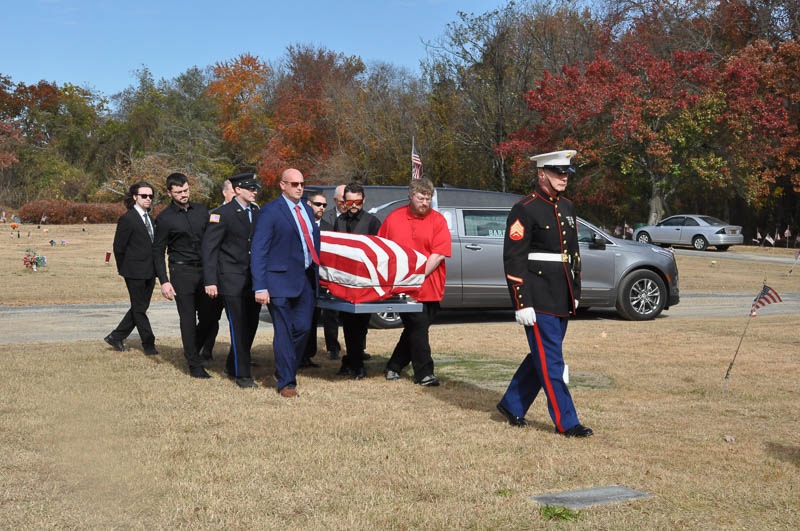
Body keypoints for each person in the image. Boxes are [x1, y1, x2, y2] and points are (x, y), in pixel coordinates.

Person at [495, 150, 593, 437]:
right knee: (552, 361)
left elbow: (573, 253)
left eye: (566, 173)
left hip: (560, 293)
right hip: (537, 296)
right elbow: (514, 258)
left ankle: (512, 403)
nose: (564, 178)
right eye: (557, 172)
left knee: (544, 354)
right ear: (541, 174)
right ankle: (567, 422)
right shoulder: (524, 208)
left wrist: (575, 290)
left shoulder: (568, 207)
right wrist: (521, 302)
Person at [251, 168, 320, 398]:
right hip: (278, 281)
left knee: (303, 328)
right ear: (282, 185)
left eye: (302, 184)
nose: (299, 188)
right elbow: (259, 250)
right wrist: (260, 286)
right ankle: (287, 382)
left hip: (305, 280)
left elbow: (313, 243)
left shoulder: (307, 210)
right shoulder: (271, 211)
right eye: (294, 184)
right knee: (283, 331)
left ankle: (285, 366)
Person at [378, 178, 450, 386]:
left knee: (416, 328)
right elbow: (383, 249)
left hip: (430, 284)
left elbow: (438, 254)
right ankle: (424, 372)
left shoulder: (437, 220)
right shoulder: (394, 218)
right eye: (421, 198)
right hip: (404, 287)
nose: (425, 203)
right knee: (418, 326)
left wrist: (418, 275)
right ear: (410, 196)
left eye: (428, 199)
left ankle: (394, 366)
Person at [202, 173, 262, 389]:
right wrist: (210, 280)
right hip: (231, 279)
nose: (255, 191)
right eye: (250, 188)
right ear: (237, 190)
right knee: (239, 326)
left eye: (256, 188)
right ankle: (242, 375)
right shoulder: (222, 214)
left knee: (251, 324)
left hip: (252, 280)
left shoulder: (256, 212)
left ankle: (232, 364)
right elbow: (210, 250)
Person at [153, 172, 214, 379]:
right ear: (169, 193)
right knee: (187, 319)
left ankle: (192, 349)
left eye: (186, 190)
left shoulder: (202, 211)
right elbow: (158, 251)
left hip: (205, 271)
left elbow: (212, 240)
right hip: (181, 272)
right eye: (179, 192)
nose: (184, 195)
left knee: (210, 317)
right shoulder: (164, 219)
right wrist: (164, 281)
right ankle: (194, 364)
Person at [332, 182, 382, 379]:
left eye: (357, 201)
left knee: (361, 324)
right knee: (347, 323)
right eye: (349, 201)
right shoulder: (339, 221)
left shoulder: (372, 222)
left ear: (364, 200)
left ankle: (357, 363)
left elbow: (379, 252)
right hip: (344, 282)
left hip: (365, 282)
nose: (353, 205)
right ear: (343, 201)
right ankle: (351, 361)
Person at [104, 181, 158, 355]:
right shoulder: (127, 219)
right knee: (139, 308)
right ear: (135, 197)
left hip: (150, 271)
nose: (148, 199)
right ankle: (149, 343)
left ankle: (116, 336)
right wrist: (124, 269)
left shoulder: (150, 218)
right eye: (144, 196)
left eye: (150, 196)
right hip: (134, 271)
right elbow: (118, 247)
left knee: (139, 307)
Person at [199, 179, 235, 360]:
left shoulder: (250, 213)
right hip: (218, 275)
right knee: (210, 317)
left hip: (236, 278)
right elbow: (209, 249)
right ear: (225, 193)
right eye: (233, 192)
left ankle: (238, 354)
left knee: (238, 319)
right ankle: (203, 348)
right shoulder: (215, 215)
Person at [299, 190, 329, 368]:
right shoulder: (301, 223)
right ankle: (299, 355)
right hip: (303, 278)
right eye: (318, 204)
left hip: (319, 282)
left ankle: (308, 354)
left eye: (324, 205)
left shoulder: (328, 227)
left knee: (313, 319)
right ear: (309, 204)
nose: (322, 208)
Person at [320, 184, 346, 360]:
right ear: (335, 201)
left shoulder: (356, 217)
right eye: (342, 201)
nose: (345, 204)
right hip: (330, 269)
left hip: (349, 270)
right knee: (331, 312)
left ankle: (359, 348)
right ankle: (332, 347)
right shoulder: (326, 217)